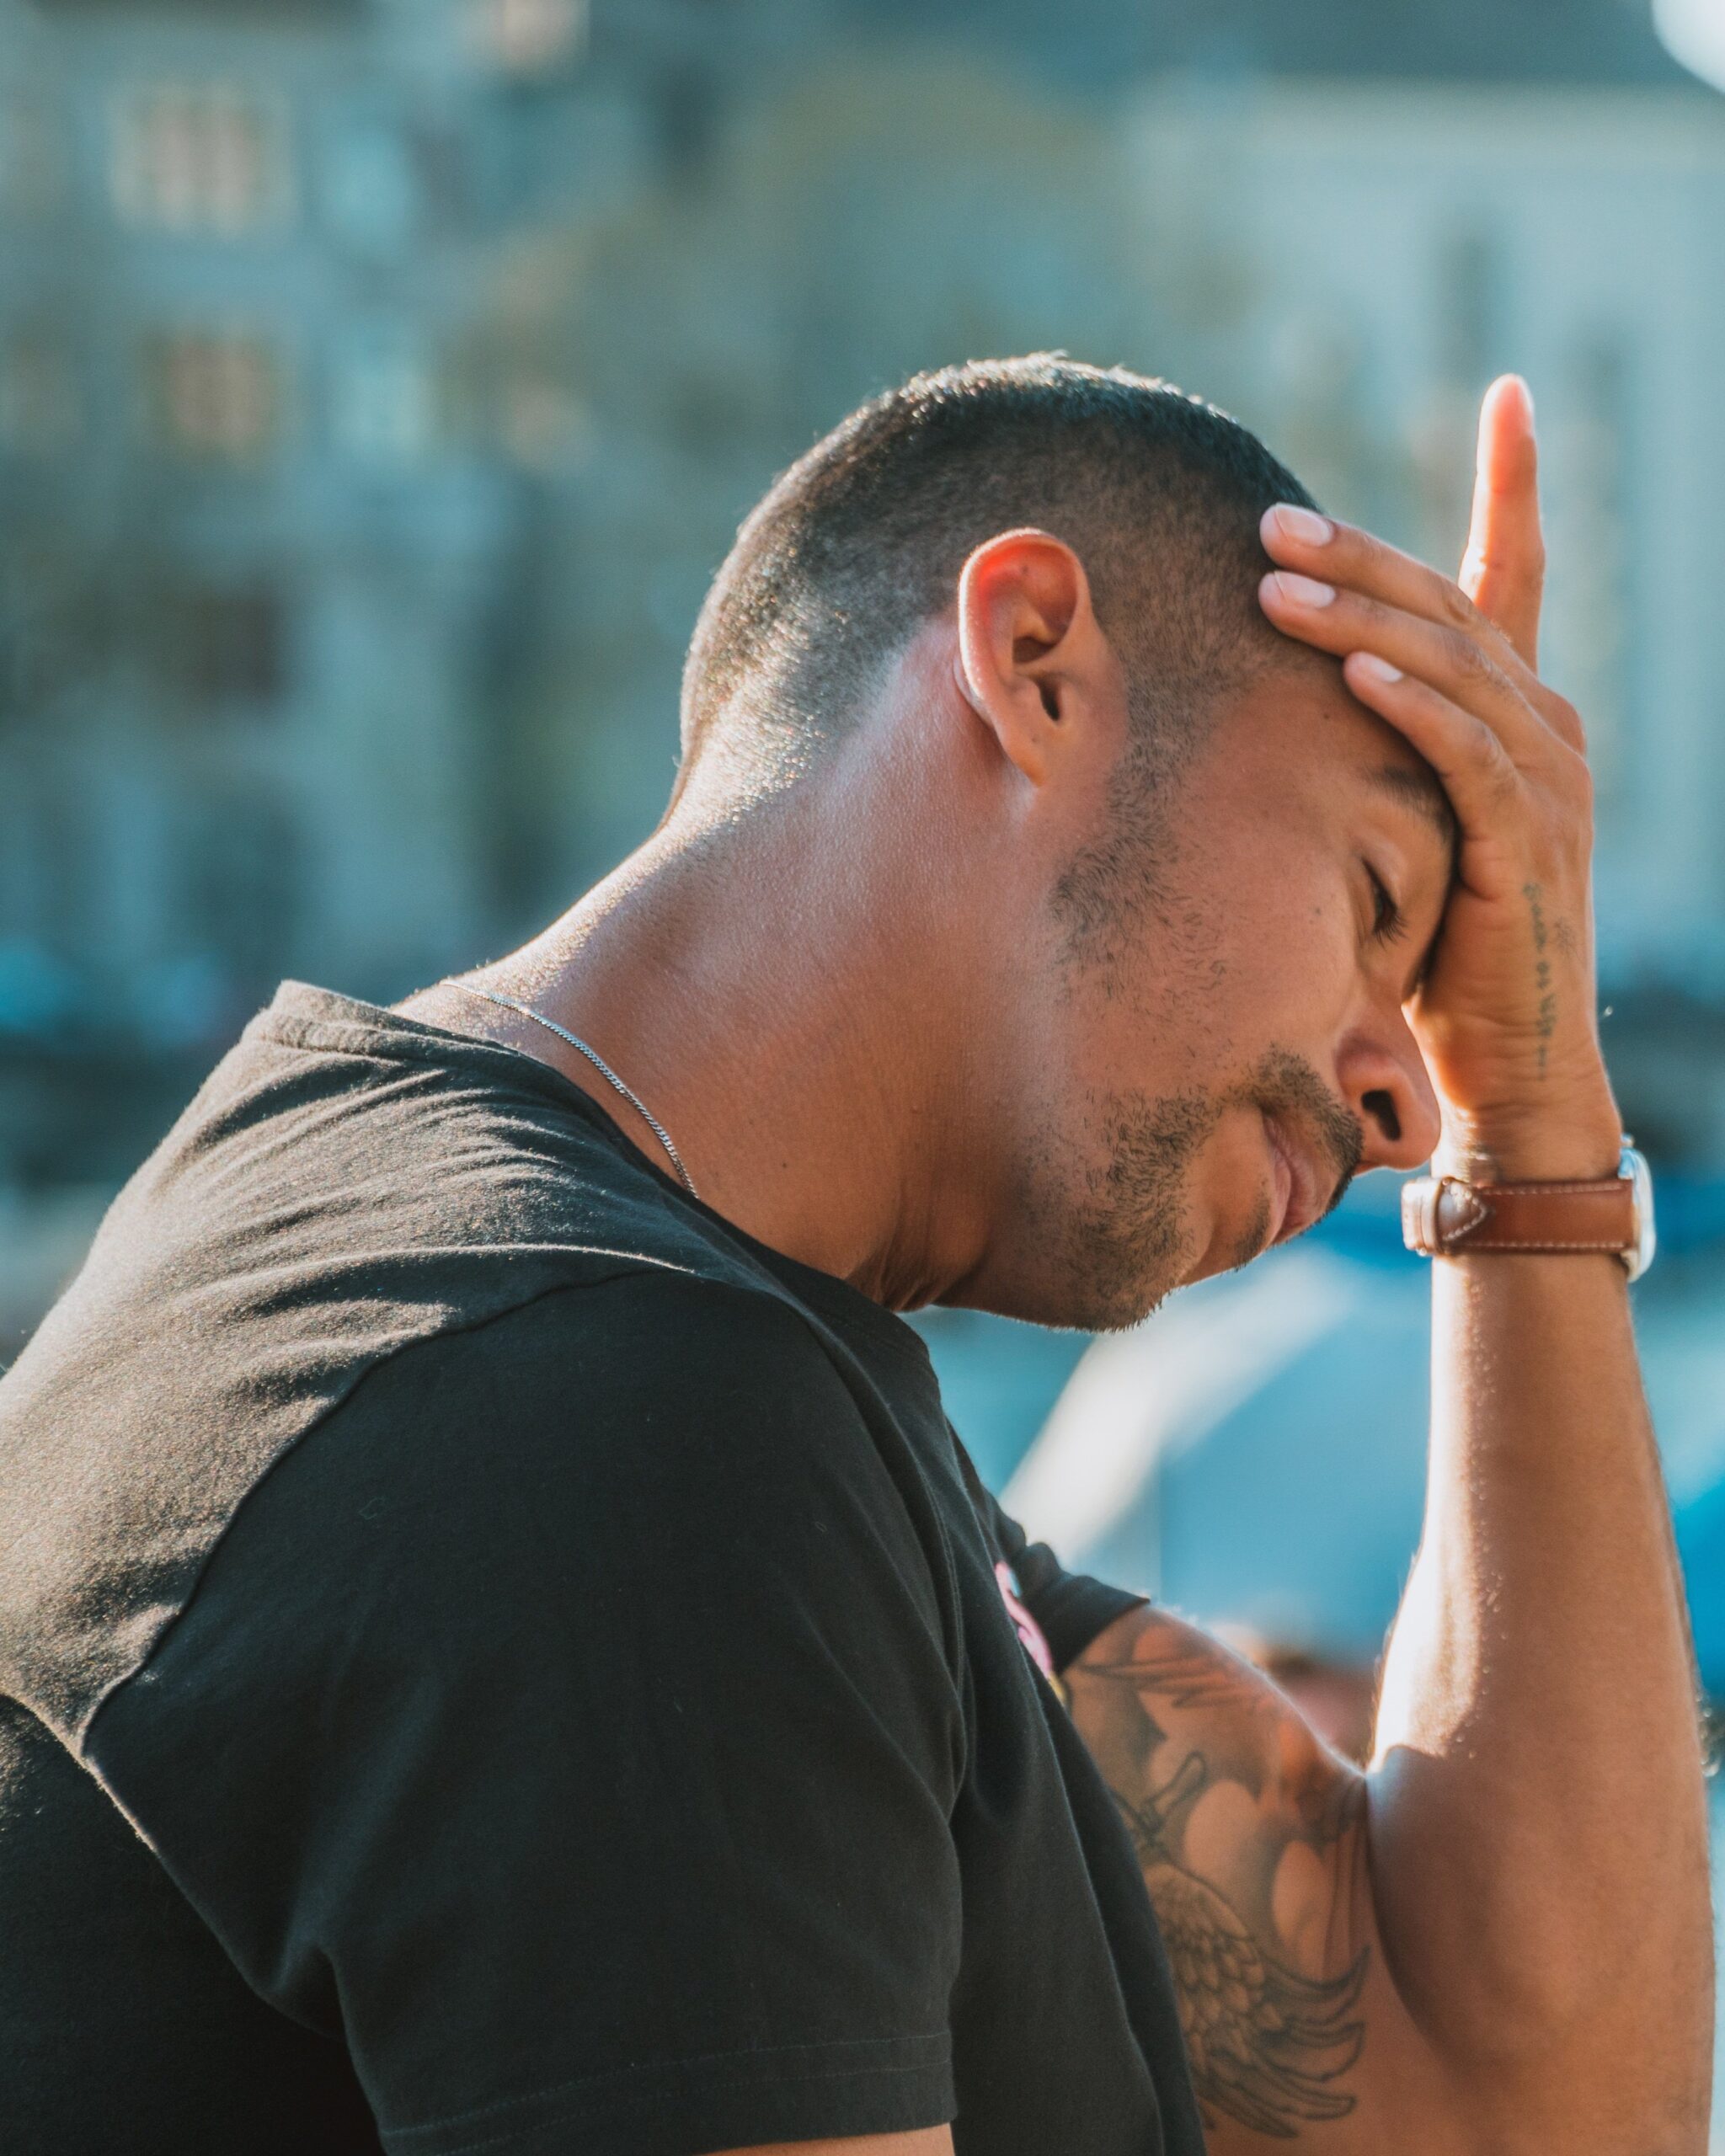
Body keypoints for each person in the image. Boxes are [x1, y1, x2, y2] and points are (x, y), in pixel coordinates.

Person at [0, 355, 1708, 2156]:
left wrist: (1533, 1112)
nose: (1403, 1103)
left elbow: (1514, 2094)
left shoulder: (549, 1311)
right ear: (1034, 660)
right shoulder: (601, 1421)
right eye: (1375, 903)